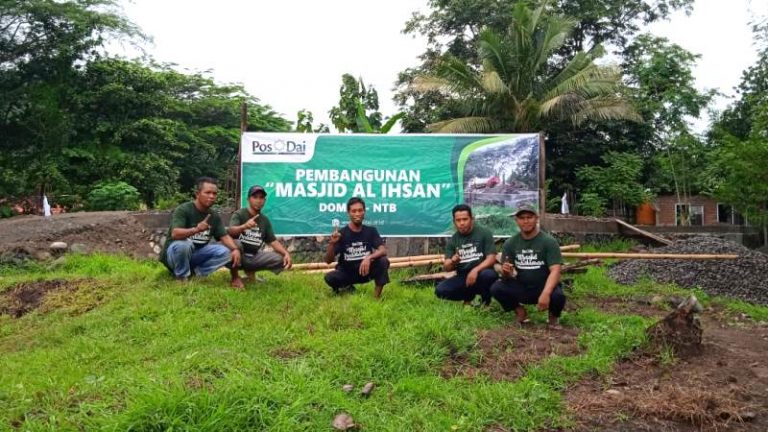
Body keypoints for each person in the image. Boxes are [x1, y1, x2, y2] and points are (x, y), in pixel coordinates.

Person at [490, 204, 566, 328]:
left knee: (558, 295)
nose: (526, 221)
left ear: (536, 218)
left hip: (543, 286)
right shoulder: (510, 243)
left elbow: (556, 271)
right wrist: (506, 272)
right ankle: (520, 312)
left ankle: (553, 317)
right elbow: (508, 276)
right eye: (522, 218)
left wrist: (546, 293)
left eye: (529, 217)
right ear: (517, 221)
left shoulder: (549, 242)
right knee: (496, 288)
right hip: (522, 286)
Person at [159, 177, 241, 282]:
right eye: (207, 193)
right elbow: (175, 234)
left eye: (214, 193)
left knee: (226, 252)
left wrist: (235, 249)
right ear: (197, 194)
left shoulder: (214, 216)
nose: (211, 196)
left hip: (195, 256)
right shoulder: (184, 210)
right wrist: (196, 229)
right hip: (174, 257)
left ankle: (195, 274)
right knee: (184, 244)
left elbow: (224, 236)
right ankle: (181, 277)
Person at [228, 185, 292, 289]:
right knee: (236, 244)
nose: (258, 200)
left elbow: (273, 241)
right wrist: (244, 226)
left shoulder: (264, 220)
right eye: (255, 197)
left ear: (264, 200)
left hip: (253, 256)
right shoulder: (239, 214)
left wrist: (286, 253)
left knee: (280, 259)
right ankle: (235, 277)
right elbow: (230, 231)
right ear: (248, 199)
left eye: (261, 197)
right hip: (237, 255)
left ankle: (250, 273)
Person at [324, 197, 390, 298]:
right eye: (354, 211)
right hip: (347, 272)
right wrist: (332, 244)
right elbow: (328, 261)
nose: (357, 214)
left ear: (364, 212)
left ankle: (376, 298)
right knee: (330, 277)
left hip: (365, 271)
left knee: (383, 261)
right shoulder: (341, 234)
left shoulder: (371, 231)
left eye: (360, 210)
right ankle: (346, 288)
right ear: (348, 213)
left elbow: (383, 250)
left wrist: (369, 258)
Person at [435, 204, 498, 306]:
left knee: (489, 275)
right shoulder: (453, 240)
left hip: (482, 272)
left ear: (471, 219)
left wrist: (475, 270)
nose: (462, 223)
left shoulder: (484, 233)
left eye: (465, 219)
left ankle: (486, 302)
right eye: (458, 220)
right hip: (463, 276)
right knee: (440, 290)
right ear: (454, 222)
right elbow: (446, 267)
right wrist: (453, 261)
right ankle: (468, 298)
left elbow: (491, 258)